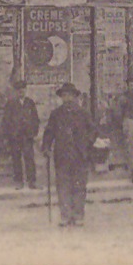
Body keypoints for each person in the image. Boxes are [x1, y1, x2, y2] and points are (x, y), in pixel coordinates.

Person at [41, 82, 97, 227]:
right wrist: (46, 147)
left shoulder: (83, 113)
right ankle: (65, 215)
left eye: (70, 95)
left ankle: (78, 215)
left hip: (80, 155)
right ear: (61, 98)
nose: (68, 99)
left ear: (75, 97)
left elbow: (93, 131)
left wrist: (87, 143)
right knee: (63, 186)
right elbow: (49, 132)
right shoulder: (56, 114)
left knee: (79, 186)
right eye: (64, 96)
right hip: (62, 156)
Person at [1, 77, 40, 190]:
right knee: (16, 159)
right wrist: (8, 135)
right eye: (19, 90)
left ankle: (32, 182)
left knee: (29, 159)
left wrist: (34, 132)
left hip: (27, 136)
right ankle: (18, 182)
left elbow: (35, 118)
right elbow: (6, 120)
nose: (21, 92)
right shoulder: (11, 104)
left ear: (26, 90)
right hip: (15, 137)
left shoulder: (30, 103)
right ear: (15, 91)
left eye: (23, 89)